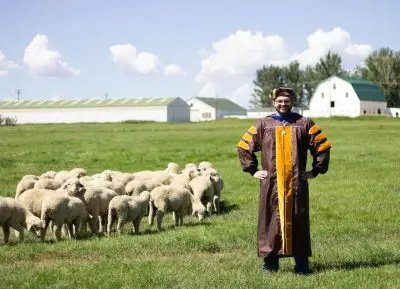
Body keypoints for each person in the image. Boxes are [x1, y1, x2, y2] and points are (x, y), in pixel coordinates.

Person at [237, 86, 331, 275]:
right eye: (279, 101)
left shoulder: (304, 123)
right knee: (270, 221)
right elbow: (243, 146)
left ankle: (302, 265)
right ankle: (270, 265)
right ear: (273, 102)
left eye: (286, 101)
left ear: (291, 102)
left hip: (297, 184)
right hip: (272, 185)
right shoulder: (263, 124)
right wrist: (253, 170)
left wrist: (315, 171)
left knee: (298, 221)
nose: (283, 104)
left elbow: (322, 145)